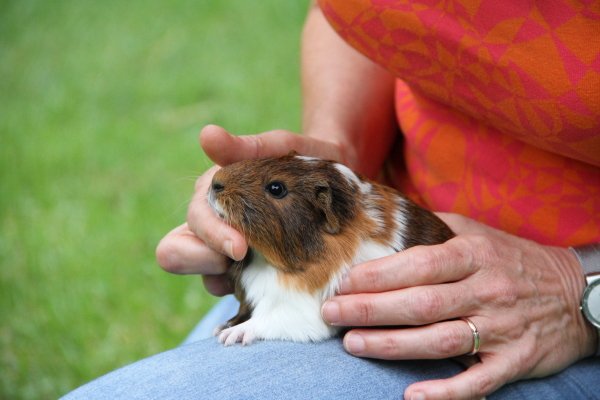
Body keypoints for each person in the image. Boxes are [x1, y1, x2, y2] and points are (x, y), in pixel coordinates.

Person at [64, 1, 599, 399]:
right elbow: (362, 15)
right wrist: (339, 146)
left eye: (276, 191)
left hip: (553, 320)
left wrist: (579, 289)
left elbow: (309, 320)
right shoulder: (323, 226)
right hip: (398, 257)